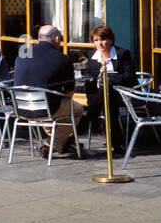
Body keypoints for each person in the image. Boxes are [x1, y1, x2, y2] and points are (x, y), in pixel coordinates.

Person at [13, 24, 83, 156]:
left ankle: (61, 141)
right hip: (48, 109)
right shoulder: (62, 58)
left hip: (21, 109)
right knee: (77, 109)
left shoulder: (22, 55)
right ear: (57, 38)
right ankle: (53, 145)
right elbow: (69, 92)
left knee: (54, 107)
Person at [81, 24, 137, 149]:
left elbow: (129, 76)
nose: (99, 43)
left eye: (102, 39)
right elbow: (89, 74)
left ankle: (86, 121)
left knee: (108, 92)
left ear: (110, 40)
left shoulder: (122, 54)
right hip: (100, 96)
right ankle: (117, 145)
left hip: (123, 93)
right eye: (96, 40)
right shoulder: (92, 56)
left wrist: (110, 80)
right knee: (106, 96)